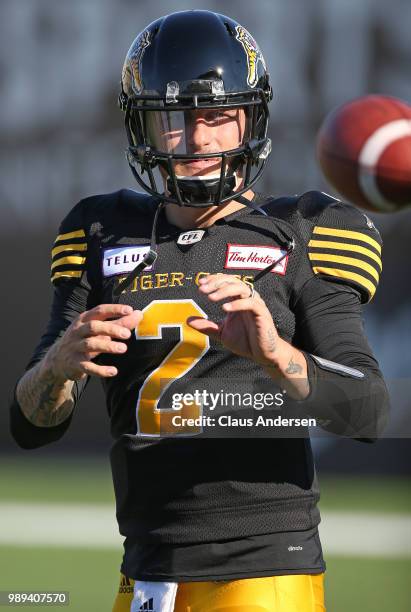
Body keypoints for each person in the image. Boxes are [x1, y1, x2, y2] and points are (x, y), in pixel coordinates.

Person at [10, 9, 389, 612]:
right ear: (144, 128)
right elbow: (32, 425)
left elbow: (368, 411)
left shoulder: (303, 232)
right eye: (175, 120)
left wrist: (274, 353)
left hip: (264, 571)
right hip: (146, 572)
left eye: (217, 116)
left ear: (251, 119)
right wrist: (58, 365)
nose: (199, 139)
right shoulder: (101, 231)